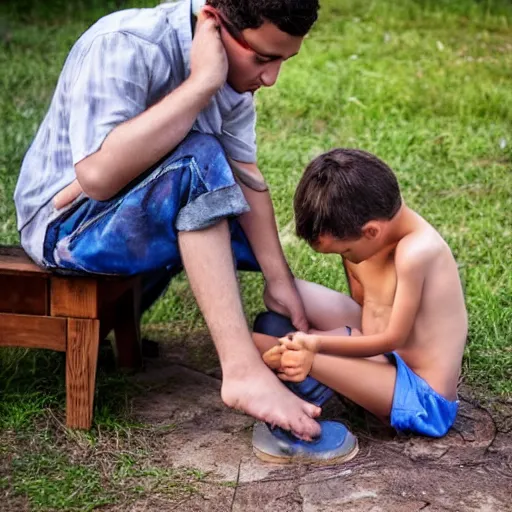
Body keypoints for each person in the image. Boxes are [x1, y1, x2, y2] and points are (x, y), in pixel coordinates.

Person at [13, 0, 324, 439]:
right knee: (201, 162)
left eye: (284, 61)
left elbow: (248, 179)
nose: (270, 79)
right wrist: (202, 83)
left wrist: (279, 280)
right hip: (66, 228)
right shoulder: (123, 44)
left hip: (139, 208)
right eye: (263, 58)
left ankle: (363, 345)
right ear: (214, 21)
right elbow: (98, 179)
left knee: (248, 201)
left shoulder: (237, 80)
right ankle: (241, 372)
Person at [253, 148, 468, 438]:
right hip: (379, 350)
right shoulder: (362, 226)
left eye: (345, 251)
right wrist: (322, 340)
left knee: (262, 344)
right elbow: (363, 303)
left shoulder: (417, 253)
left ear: (371, 232)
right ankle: (330, 380)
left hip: (420, 395)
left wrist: (316, 345)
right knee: (280, 298)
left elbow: (393, 339)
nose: (348, 259)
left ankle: (300, 377)